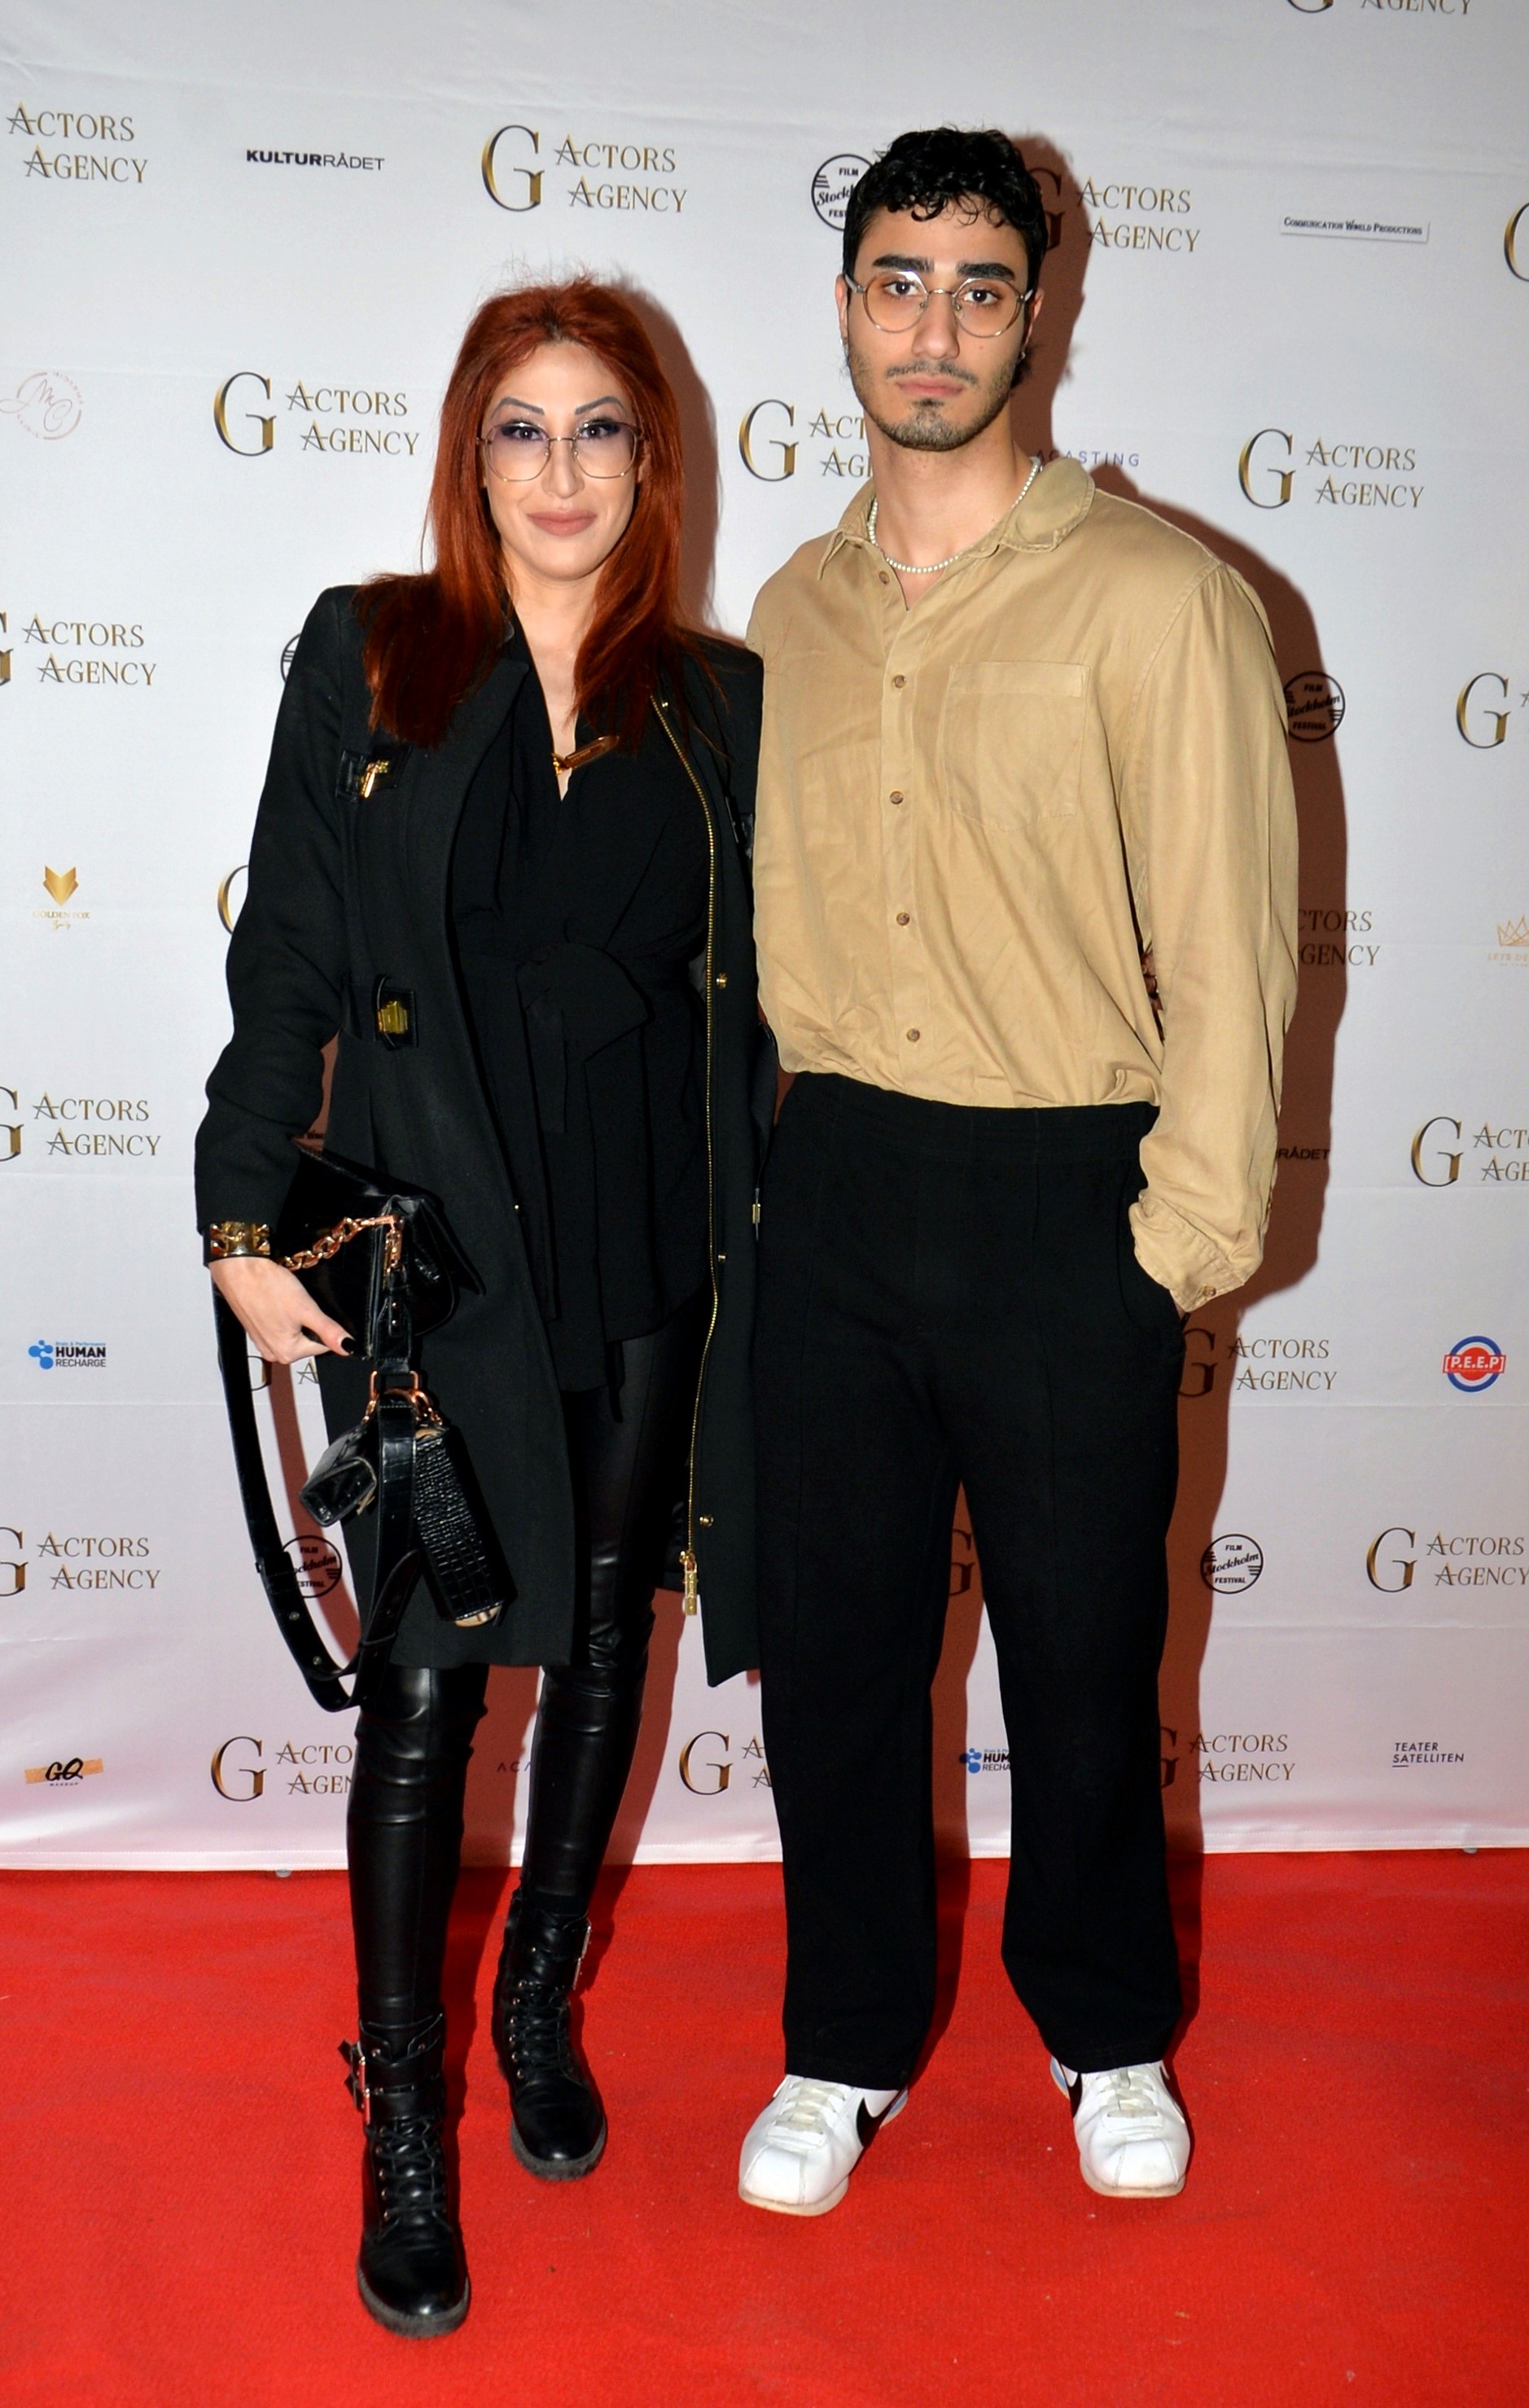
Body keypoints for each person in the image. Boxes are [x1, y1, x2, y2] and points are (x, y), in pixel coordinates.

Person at [196, 281, 767, 2336]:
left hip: (645, 1232)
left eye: (600, 428)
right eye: (520, 429)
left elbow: (773, 987)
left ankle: (533, 1998)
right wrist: (238, 1212)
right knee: (431, 1683)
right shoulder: (376, 654)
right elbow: (288, 952)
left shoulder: (718, 699)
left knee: (606, 1635)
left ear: (651, 462)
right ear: (470, 455)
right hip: (438, 1252)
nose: (560, 470)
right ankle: (402, 2116)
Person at [738, 128, 1298, 2218]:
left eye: (980, 287)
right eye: (900, 281)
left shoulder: (1164, 598)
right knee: (842, 1664)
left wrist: (1174, 1245)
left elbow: (1234, 943)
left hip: (1070, 1197)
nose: (936, 327)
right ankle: (844, 2042)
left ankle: (1105, 2028)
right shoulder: (787, 612)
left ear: (1037, 314)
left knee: (1080, 1658)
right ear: (846, 307)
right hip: (835, 1190)